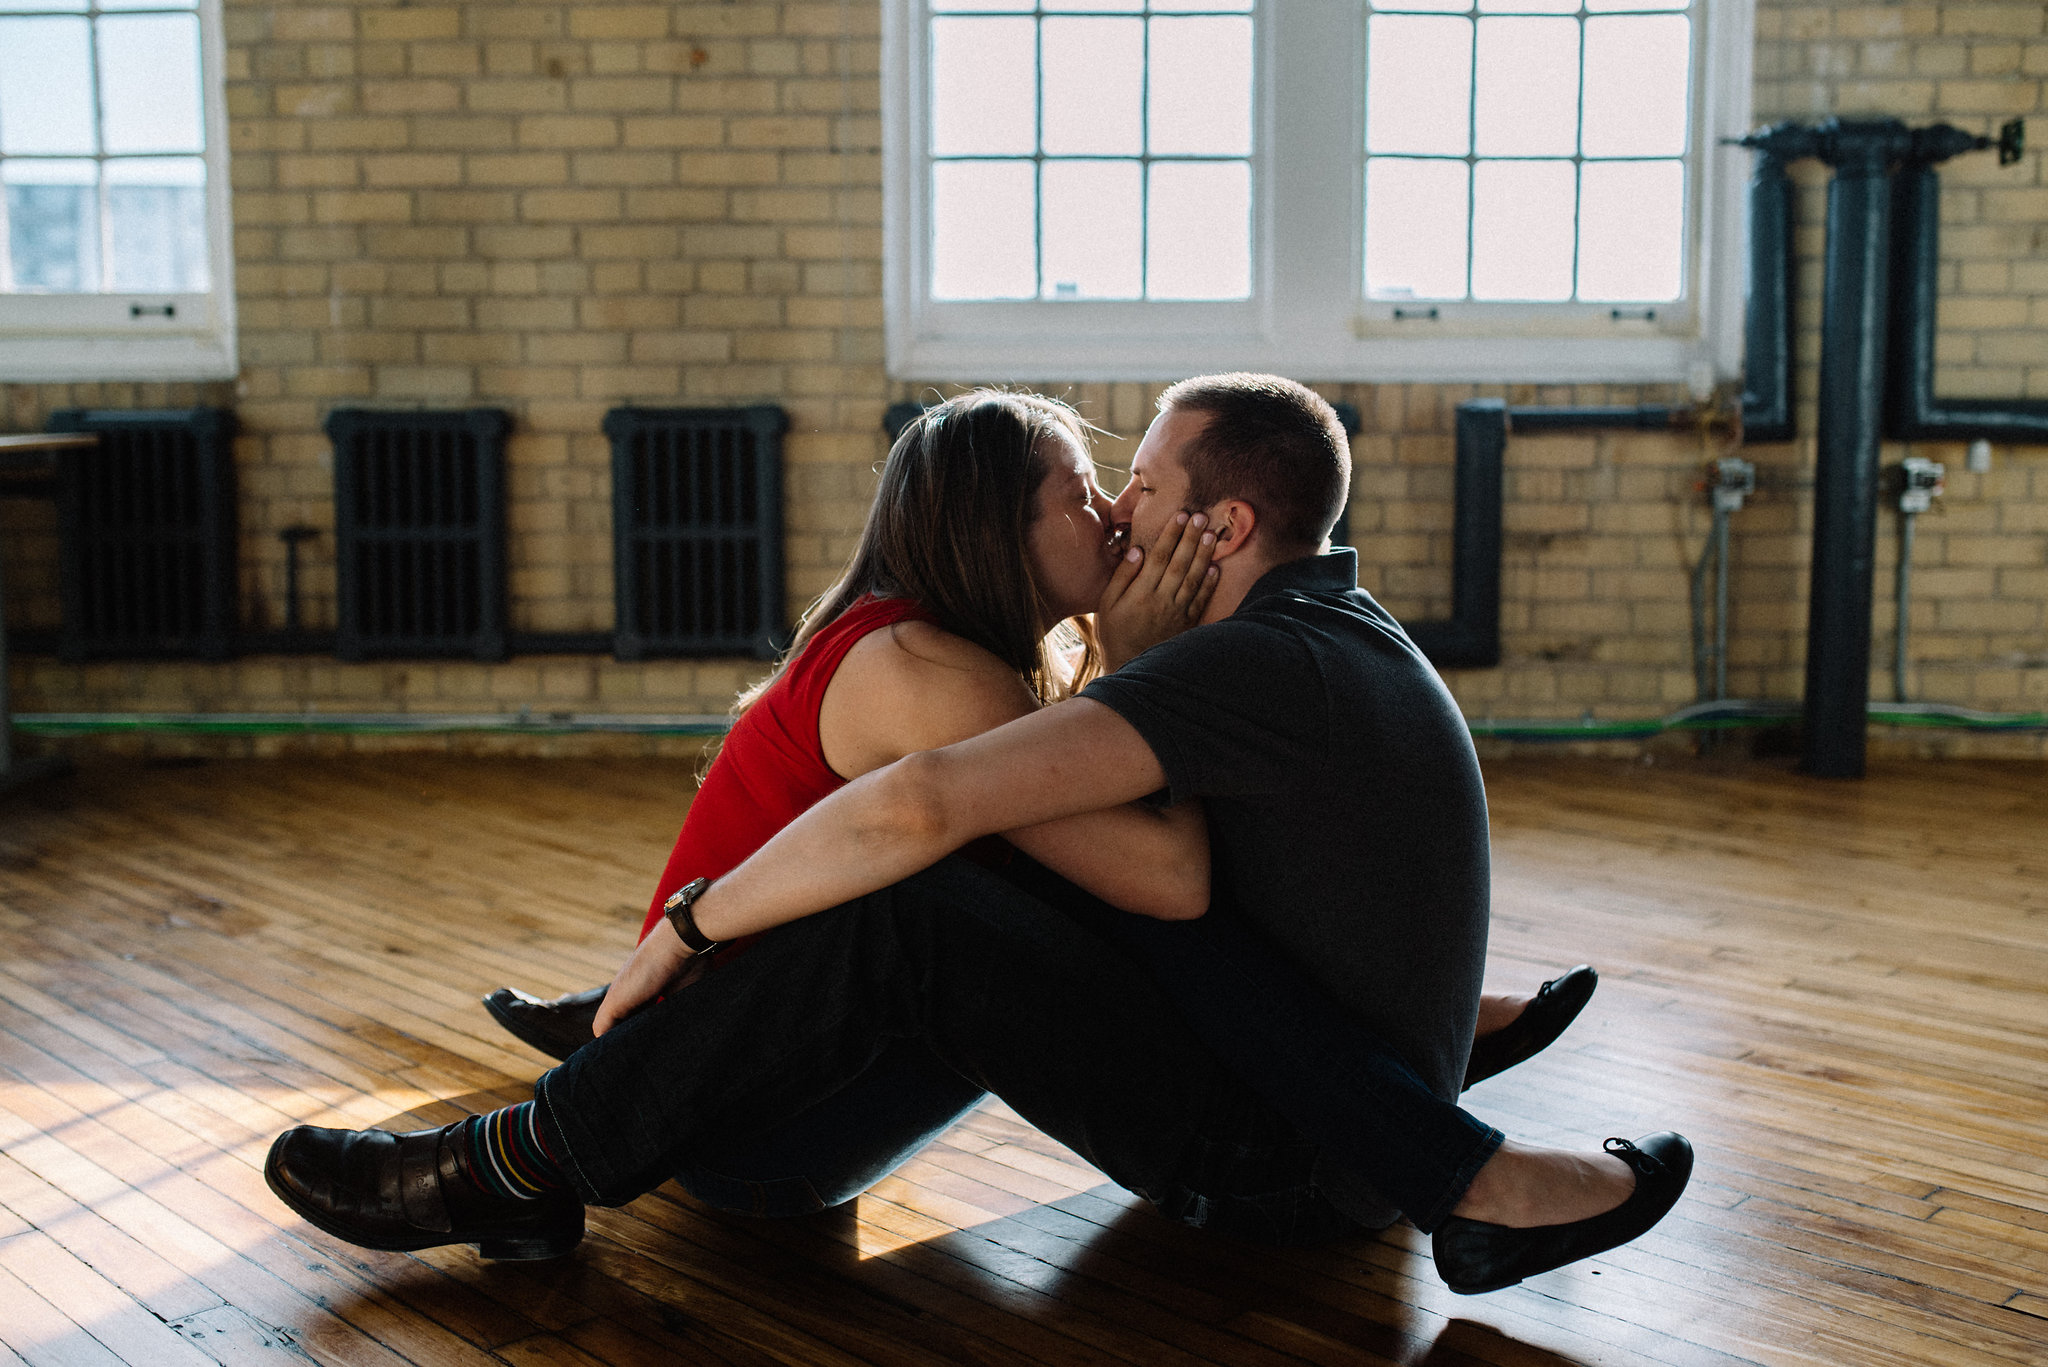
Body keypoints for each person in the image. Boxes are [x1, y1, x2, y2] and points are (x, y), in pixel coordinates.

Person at [267, 378, 1682, 1294]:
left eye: (1133, 489)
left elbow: (1153, 873)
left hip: (1289, 1164)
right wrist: (687, 931)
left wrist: (687, 926)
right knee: (961, 871)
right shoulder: (1324, 634)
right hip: (766, 1101)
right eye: (1090, 495)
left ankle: (516, 1160)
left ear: (1227, 523)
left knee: (949, 882)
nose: (1120, 514)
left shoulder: (1247, 664)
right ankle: (536, 1152)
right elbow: (1054, 841)